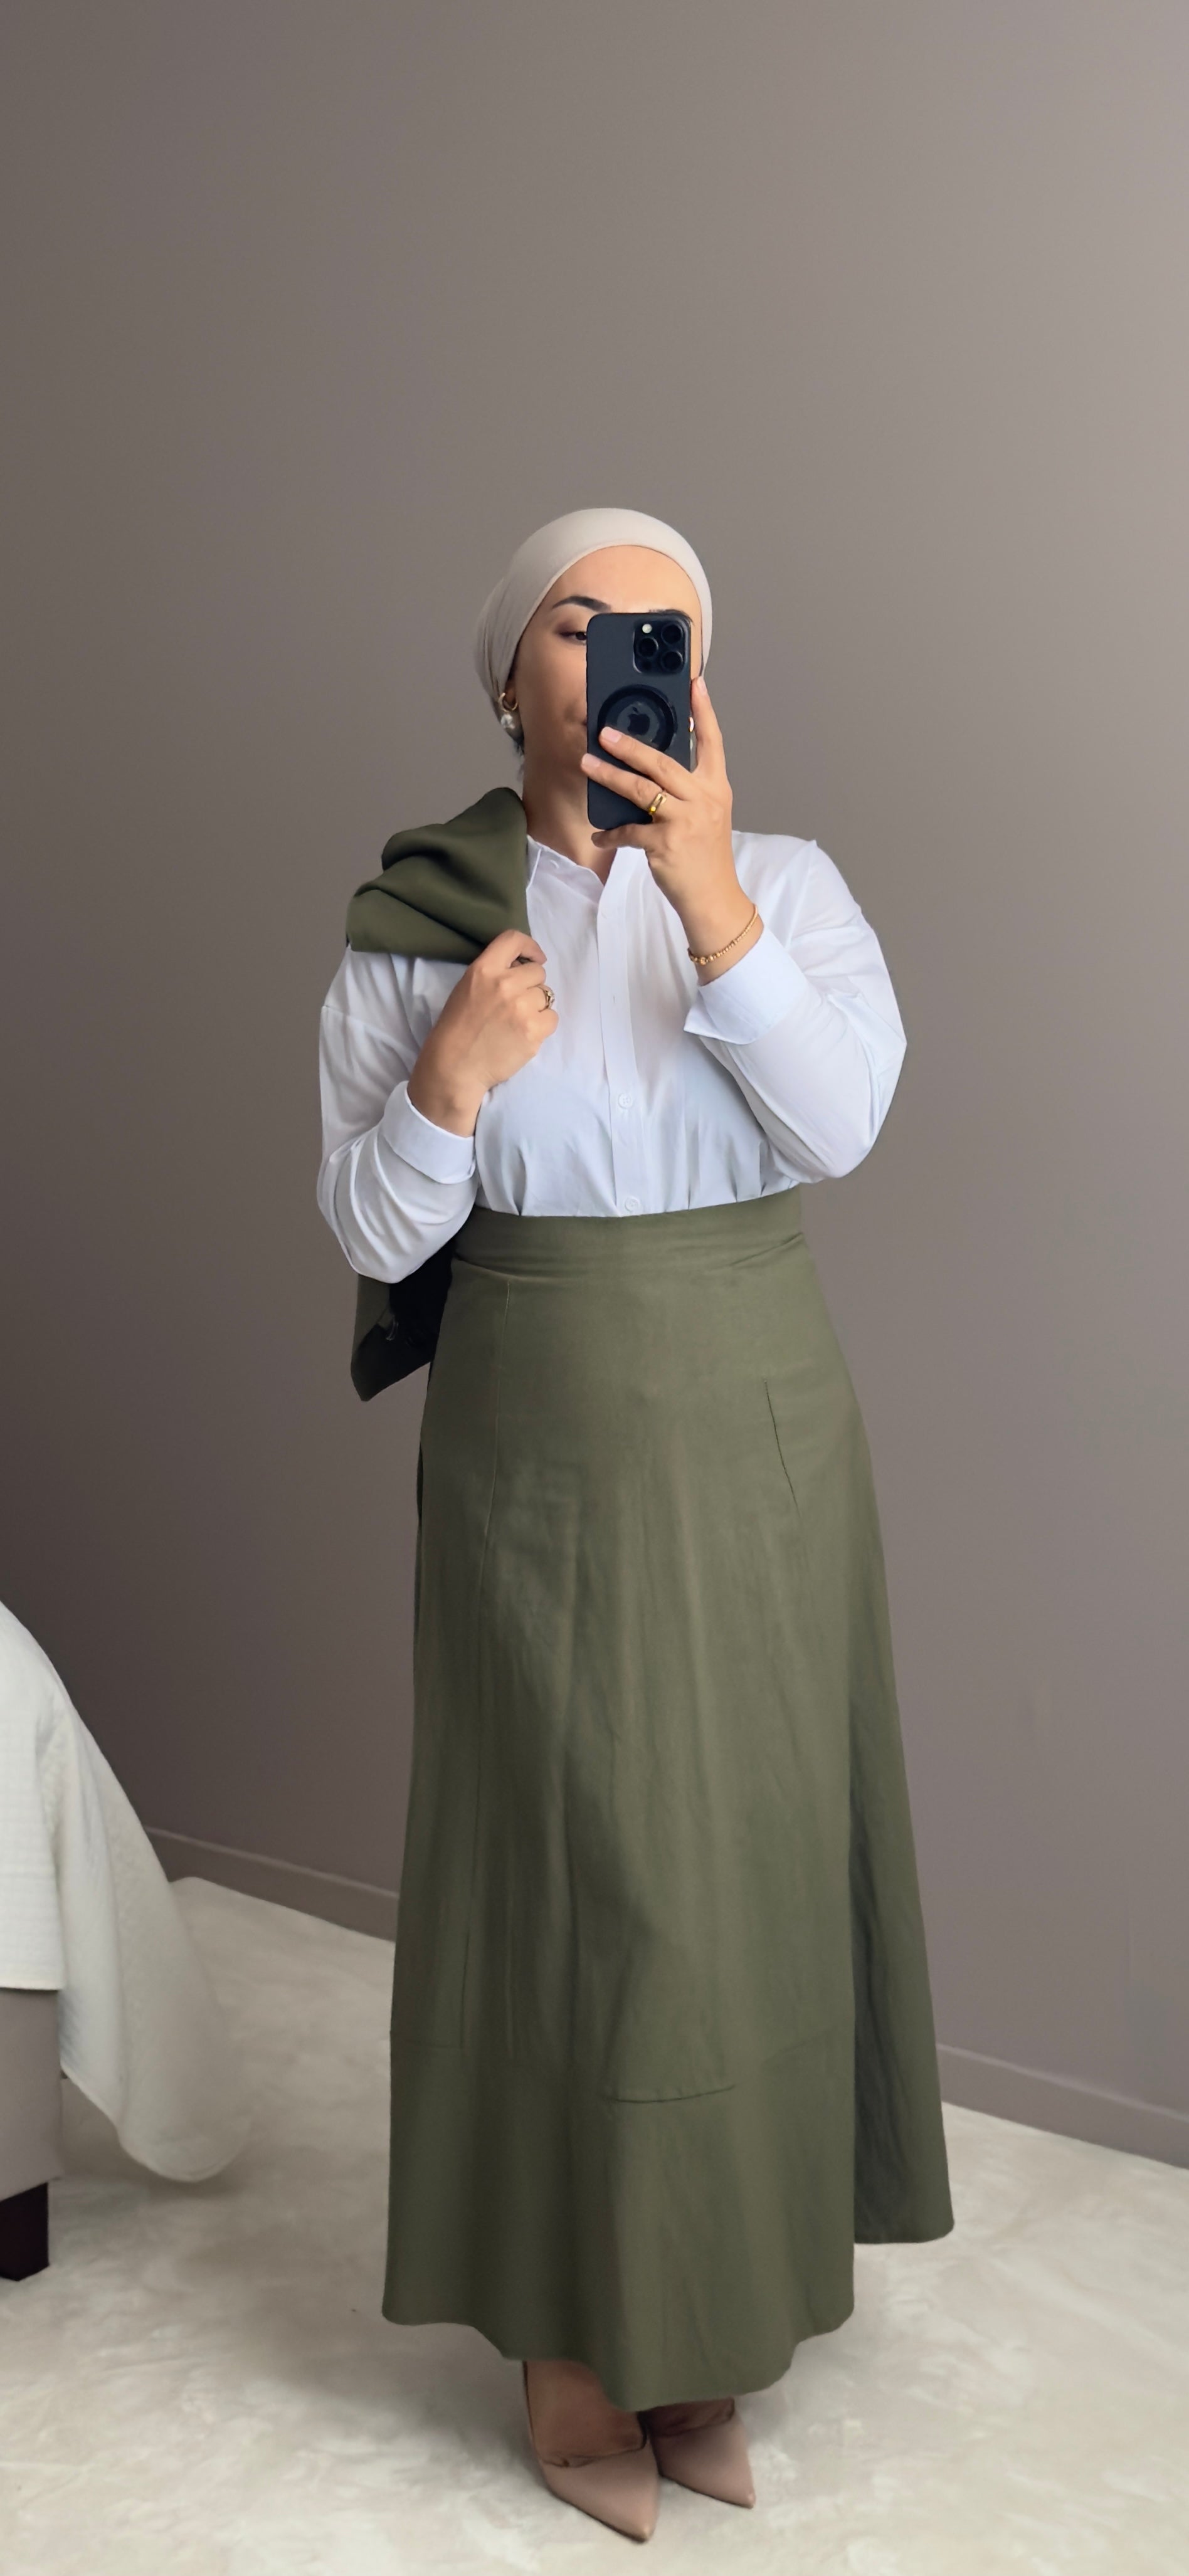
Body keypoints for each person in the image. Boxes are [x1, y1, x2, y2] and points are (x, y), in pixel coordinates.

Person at [317, 508, 954, 2542]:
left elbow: (842, 1126)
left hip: (762, 1421)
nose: (623, 659)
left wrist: (716, 910)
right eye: (581, 626)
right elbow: (371, 1231)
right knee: (570, 1879)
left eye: (664, 630)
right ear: (509, 675)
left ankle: (706, 2333)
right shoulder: (421, 924)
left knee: (740, 1872)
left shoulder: (787, 884)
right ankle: (574, 2352)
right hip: (538, 1432)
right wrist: (448, 1083)